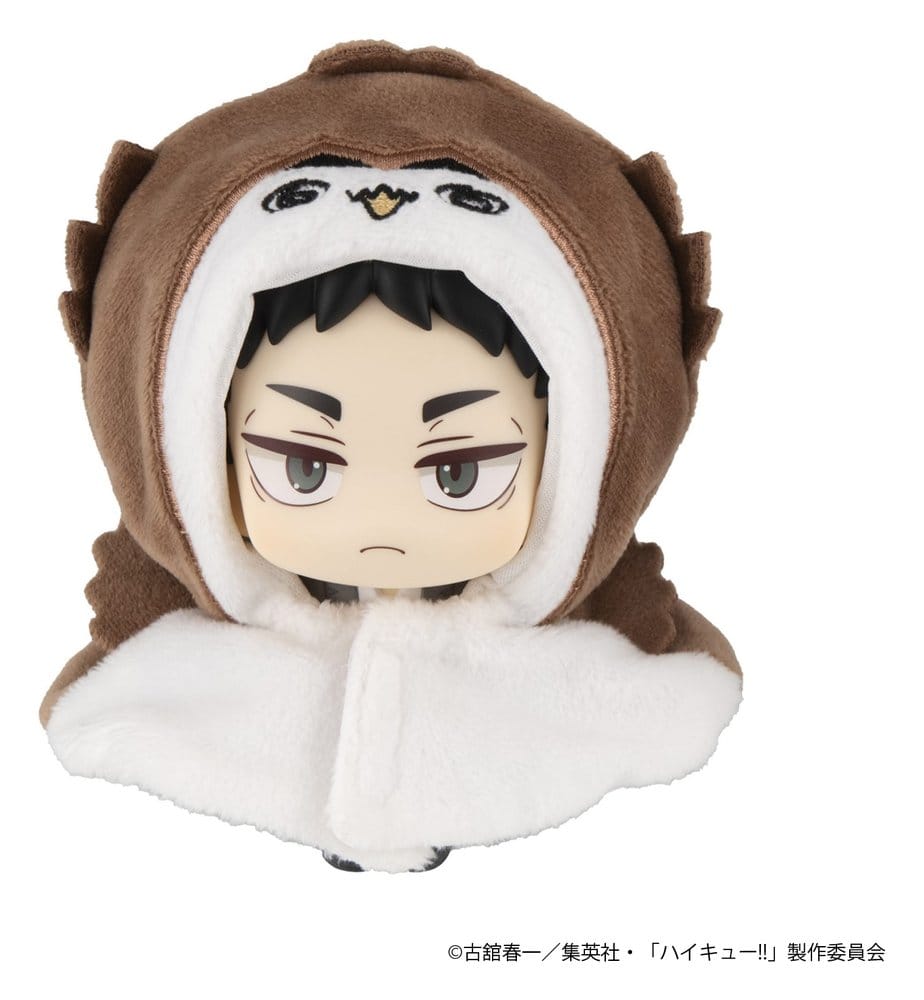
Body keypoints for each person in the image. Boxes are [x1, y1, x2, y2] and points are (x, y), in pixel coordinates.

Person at [42, 41, 742, 873]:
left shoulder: (620, 702)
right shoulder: (163, 705)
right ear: (192, 453)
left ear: (584, 455)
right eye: (305, 467)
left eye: (457, 472)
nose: (378, 524)